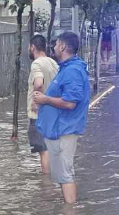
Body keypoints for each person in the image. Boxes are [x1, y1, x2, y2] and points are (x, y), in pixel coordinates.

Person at [33, 31, 90, 204]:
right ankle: (67, 211)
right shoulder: (66, 69)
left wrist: (45, 99)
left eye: (57, 44)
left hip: (65, 129)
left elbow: (70, 103)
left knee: (65, 174)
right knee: (62, 175)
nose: (54, 47)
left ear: (63, 46)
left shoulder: (72, 71)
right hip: (58, 129)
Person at [27, 35, 59, 175]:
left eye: (29, 47)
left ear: (33, 47)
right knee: (52, 149)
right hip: (53, 112)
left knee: (43, 151)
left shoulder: (37, 63)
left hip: (40, 114)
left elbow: (38, 83)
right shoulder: (53, 63)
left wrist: (35, 102)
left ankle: (47, 184)